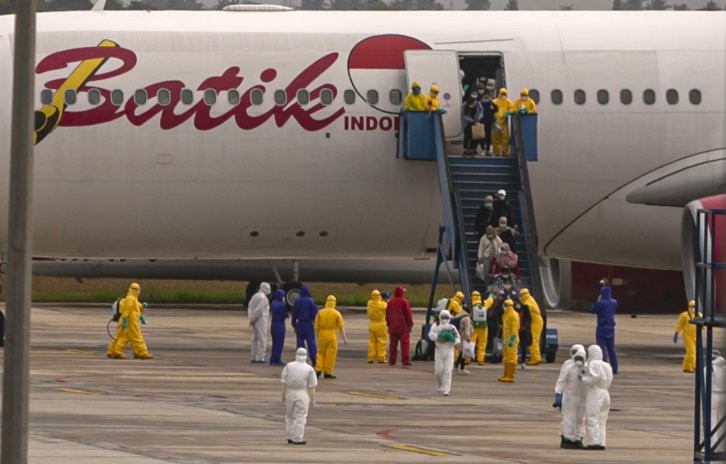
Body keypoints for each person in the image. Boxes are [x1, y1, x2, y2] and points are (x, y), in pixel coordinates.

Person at [281, 347, 318, 445]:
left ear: (296, 355)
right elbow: (312, 387)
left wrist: (283, 395)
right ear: (306, 356)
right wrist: (313, 399)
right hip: (302, 393)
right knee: (300, 416)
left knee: (289, 416)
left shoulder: (289, 366)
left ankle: (289, 436)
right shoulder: (309, 369)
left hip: (290, 392)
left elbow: (283, 382)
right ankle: (297, 438)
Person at [106, 282, 153, 360]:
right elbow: (127, 310)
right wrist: (125, 320)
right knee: (137, 337)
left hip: (129, 321)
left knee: (121, 337)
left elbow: (138, 308)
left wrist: (143, 307)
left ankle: (113, 352)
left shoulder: (132, 298)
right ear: (135, 290)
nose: (139, 292)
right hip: (131, 322)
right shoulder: (131, 299)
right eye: (138, 290)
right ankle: (143, 353)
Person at [553, 344, 587, 449]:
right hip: (570, 397)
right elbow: (561, 381)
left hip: (582, 398)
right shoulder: (568, 365)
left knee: (580, 419)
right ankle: (567, 439)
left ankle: (577, 438)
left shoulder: (587, 366)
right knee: (569, 418)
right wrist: (558, 394)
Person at [580, 344, 613, 450]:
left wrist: (583, 379)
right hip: (606, 393)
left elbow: (595, 377)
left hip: (595, 392)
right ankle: (601, 442)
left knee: (592, 417)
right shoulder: (607, 365)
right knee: (602, 420)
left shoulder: (594, 363)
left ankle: (594, 442)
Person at [428, 310, 460, 396]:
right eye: (443, 317)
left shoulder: (452, 328)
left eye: (446, 317)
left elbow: (458, 339)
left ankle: (447, 389)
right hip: (439, 350)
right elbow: (430, 335)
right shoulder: (436, 325)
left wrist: (453, 340)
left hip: (449, 351)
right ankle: (440, 385)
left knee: (448, 370)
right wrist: (438, 336)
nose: (445, 319)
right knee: (439, 371)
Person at [314, 295, 347, 379]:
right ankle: (327, 372)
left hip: (322, 334)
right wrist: (344, 339)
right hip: (332, 334)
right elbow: (341, 327)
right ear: (334, 303)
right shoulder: (336, 313)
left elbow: (316, 326)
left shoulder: (320, 312)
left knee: (320, 353)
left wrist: (316, 336)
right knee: (330, 354)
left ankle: (318, 370)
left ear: (326, 302)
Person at [591, 285, 618, 374]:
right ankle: (614, 368)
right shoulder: (614, 302)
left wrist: (598, 300)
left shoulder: (600, 304)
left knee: (601, 348)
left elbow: (593, 309)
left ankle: (603, 367)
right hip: (611, 328)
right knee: (611, 348)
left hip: (602, 327)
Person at [386, 286, 414, 368]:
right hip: (403, 327)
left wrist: (389, 324)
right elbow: (408, 314)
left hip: (393, 327)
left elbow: (387, 314)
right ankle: (405, 360)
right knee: (405, 344)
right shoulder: (404, 302)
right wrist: (410, 324)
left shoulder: (390, 302)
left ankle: (392, 360)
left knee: (393, 345)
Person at [291, 285, 317, 367]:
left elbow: (294, 314)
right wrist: (315, 324)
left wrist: (294, 324)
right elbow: (315, 313)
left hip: (299, 324)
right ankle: (314, 360)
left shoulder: (297, 301)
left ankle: (300, 360)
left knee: (299, 343)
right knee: (311, 343)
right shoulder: (310, 301)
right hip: (308, 324)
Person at [673, 299, 701, 373]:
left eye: (694, 306)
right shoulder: (684, 315)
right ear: (689, 306)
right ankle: (692, 366)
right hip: (687, 335)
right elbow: (680, 325)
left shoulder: (699, 315)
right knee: (691, 352)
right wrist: (676, 333)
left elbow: (702, 326)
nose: (693, 308)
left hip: (695, 336)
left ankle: (686, 366)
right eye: (691, 306)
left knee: (690, 352)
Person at [520, 288, 543, 366]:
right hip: (537, 320)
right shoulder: (530, 299)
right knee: (534, 339)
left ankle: (535, 359)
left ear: (522, 296)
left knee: (533, 340)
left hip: (535, 322)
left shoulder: (526, 303)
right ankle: (535, 357)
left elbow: (526, 316)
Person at [248, 282, 271, 363]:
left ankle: (253, 356)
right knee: (262, 338)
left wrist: (251, 319)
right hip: (261, 320)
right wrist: (253, 318)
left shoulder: (254, 296)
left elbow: (250, 307)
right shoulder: (264, 298)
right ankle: (261, 357)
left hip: (254, 320)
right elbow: (259, 310)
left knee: (254, 338)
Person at [498, 298, 519, 382]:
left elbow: (514, 330)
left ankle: (510, 376)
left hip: (512, 340)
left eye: (505, 306)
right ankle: (505, 375)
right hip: (506, 340)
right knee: (506, 358)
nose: (503, 307)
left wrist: (511, 340)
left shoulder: (513, 315)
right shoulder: (505, 315)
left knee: (511, 358)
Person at [366, 289, 388, 364]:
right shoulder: (383, 304)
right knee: (381, 342)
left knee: (372, 342)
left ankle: (370, 358)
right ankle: (381, 358)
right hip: (381, 324)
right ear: (379, 296)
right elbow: (387, 308)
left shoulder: (369, 303)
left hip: (371, 324)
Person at [710, 350, 726, 453]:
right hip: (724, 394)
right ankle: (722, 445)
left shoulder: (710, 368)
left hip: (714, 394)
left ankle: (713, 445)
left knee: (712, 420)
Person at [492, 88, 514, 157]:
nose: (503, 96)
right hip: (496, 122)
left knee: (505, 138)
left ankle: (505, 153)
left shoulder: (508, 101)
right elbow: (490, 110)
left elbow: (512, 108)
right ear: (499, 94)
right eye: (502, 94)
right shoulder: (494, 101)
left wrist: (508, 112)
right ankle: (497, 153)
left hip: (504, 123)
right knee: (495, 139)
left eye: (504, 94)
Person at [269, 289, 288, 366]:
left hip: (273, 324)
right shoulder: (280, 305)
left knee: (275, 343)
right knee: (279, 343)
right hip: (279, 324)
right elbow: (285, 314)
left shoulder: (273, 303)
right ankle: (276, 360)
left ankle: (273, 359)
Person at [461, 92, 483, 156]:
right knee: (467, 136)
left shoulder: (478, 104)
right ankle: (465, 149)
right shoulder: (464, 105)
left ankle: (472, 149)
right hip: (467, 123)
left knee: (474, 136)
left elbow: (481, 112)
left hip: (475, 122)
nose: (471, 105)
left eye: (472, 104)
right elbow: (463, 115)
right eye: (470, 104)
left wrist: (478, 119)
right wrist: (471, 120)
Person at [478, 88, 498, 156]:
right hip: (482, 121)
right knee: (482, 136)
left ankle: (487, 149)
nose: (486, 98)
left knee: (487, 136)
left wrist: (493, 108)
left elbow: (496, 109)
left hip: (488, 122)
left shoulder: (491, 103)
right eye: (485, 96)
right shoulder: (480, 102)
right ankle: (484, 149)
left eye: (487, 96)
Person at [454, 305, 473, 375]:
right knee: (463, 353)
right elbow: (467, 328)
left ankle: (457, 366)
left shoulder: (460, 316)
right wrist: (468, 337)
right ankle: (461, 368)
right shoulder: (467, 318)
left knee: (462, 352)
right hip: (464, 336)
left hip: (461, 335)